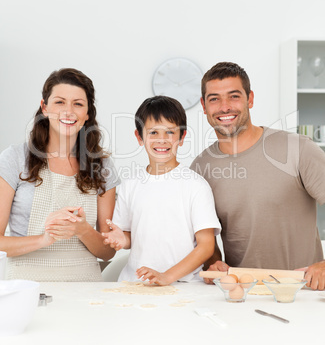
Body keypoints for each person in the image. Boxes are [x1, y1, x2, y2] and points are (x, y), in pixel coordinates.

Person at [191, 61, 325, 291]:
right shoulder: (200, 168)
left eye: (234, 96)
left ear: (250, 99)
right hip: (241, 294)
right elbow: (207, 238)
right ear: (204, 106)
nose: (224, 107)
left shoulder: (297, 149)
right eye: (214, 99)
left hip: (303, 292)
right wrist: (213, 263)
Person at [0, 68, 120, 281]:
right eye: (60, 102)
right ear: (44, 108)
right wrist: (44, 239)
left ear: (87, 114)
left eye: (78, 104)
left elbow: (108, 251)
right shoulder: (15, 159)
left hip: (85, 288)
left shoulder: (102, 166)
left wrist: (82, 230)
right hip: (27, 287)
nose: (68, 111)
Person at [102, 96, 221, 285]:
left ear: (181, 137)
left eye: (170, 133)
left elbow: (206, 246)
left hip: (184, 286)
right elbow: (131, 237)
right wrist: (121, 240)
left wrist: (167, 276)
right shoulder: (130, 185)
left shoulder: (195, 185)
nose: (162, 140)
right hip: (135, 283)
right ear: (139, 137)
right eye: (154, 132)